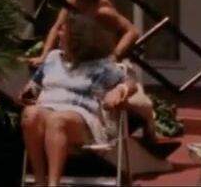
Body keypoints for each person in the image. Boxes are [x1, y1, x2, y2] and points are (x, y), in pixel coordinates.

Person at [26, 0, 159, 143]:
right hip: (79, 58)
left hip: (100, 60)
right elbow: (57, 28)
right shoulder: (71, 1)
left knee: (120, 95)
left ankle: (146, 116)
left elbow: (132, 31)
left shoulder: (101, 6)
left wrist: (115, 54)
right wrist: (44, 55)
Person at [20, 13, 136, 187]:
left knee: (56, 120)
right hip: (47, 112)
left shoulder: (98, 65)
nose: (58, 34)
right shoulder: (52, 58)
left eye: (63, 31)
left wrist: (119, 90)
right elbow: (34, 87)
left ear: (77, 38)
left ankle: (53, 184)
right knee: (30, 114)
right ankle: (40, 181)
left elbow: (131, 83)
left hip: (82, 121)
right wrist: (27, 94)